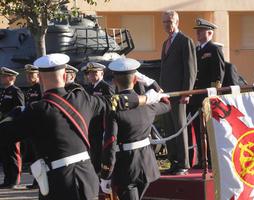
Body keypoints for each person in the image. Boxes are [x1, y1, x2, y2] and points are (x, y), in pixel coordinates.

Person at [0, 53, 164, 199]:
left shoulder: (35, 110)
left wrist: (13, 114)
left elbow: (5, 135)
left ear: (41, 79)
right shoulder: (84, 99)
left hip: (59, 180)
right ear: (65, 76)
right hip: (87, 175)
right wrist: (147, 97)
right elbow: (117, 102)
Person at [100, 57, 170, 200]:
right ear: (136, 80)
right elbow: (166, 102)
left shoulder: (113, 109)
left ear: (114, 81)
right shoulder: (148, 104)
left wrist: (106, 173)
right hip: (147, 165)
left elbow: (110, 143)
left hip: (125, 168)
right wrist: (151, 82)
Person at [160, 10, 197, 175]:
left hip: (179, 94)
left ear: (177, 21)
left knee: (180, 128)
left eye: (170, 21)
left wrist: (186, 93)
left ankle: (184, 163)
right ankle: (173, 161)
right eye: (165, 22)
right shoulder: (165, 43)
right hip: (167, 95)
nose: (167, 24)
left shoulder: (185, 41)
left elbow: (190, 70)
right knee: (169, 128)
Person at [188, 18, 225, 168]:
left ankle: (210, 159)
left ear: (210, 33)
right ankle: (202, 159)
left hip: (206, 96)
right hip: (195, 95)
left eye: (201, 30)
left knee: (208, 130)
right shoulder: (196, 50)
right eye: (197, 30)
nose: (198, 33)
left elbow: (218, 74)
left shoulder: (214, 49)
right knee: (198, 128)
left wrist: (212, 94)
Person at [81, 62, 114, 174]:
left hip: (101, 123)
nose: (91, 75)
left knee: (99, 148)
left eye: (95, 73)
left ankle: (98, 171)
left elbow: (110, 106)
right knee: (92, 148)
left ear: (101, 73)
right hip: (91, 123)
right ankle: (94, 169)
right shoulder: (89, 88)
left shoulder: (106, 87)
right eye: (90, 73)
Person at [0, 67, 24, 188]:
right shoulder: (4, 92)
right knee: (5, 154)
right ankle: (7, 179)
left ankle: (14, 180)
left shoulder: (16, 91)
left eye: (4, 76)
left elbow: (20, 109)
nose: (1, 78)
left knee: (13, 154)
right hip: (3, 127)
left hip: (12, 127)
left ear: (11, 78)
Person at [23, 64, 42, 189]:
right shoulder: (31, 90)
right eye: (28, 75)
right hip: (31, 127)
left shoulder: (41, 89)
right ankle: (37, 181)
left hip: (39, 127)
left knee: (39, 155)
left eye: (32, 74)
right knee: (34, 156)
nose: (29, 77)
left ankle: (39, 182)